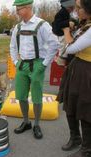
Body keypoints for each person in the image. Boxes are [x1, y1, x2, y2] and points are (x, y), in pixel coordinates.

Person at [10, 0, 59, 139]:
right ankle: (26, 122)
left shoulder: (42, 25)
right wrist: (15, 61)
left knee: (37, 96)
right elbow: (12, 46)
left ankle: (36, 124)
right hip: (22, 64)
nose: (17, 11)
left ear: (27, 8)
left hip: (37, 63)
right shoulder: (18, 27)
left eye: (18, 9)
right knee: (20, 95)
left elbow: (54, 44)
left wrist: (44, 64)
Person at [54, 0, 90, 152]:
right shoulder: (84, 25)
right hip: (76, 68)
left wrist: (66, 31)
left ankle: (87, 148)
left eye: (79, 8)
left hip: (87, 72)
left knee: (85, 108)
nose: (76, 10)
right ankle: (75, 138)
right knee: (70, 105)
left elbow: (72, 48)